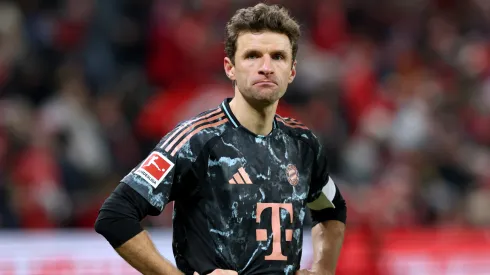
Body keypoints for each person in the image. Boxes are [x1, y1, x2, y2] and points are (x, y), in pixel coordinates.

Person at [95, 3, 347, 275]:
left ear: (292, 71)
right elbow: (116, 215)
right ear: (230, 67)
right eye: (252, 56)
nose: (266, 67)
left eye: (278, 57)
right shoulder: (197, 140)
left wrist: (323, 269)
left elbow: (331, 208)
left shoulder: (303, 144)